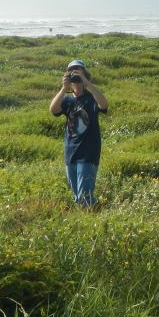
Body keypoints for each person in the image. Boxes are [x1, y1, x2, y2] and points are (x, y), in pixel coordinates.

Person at [49, 60, 109, 207]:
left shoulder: (91, 98)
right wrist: (64, 88)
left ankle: (91, 219)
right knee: (77, 196)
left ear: (85, 74)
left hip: (88, 153)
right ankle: (88, 216)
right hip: (71, 152)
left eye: (78, 70)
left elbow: (104, 105)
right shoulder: (68, 100)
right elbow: (53, 109)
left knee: (85, 197)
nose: (75, 73)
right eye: (72, 71)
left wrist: (87, 83)